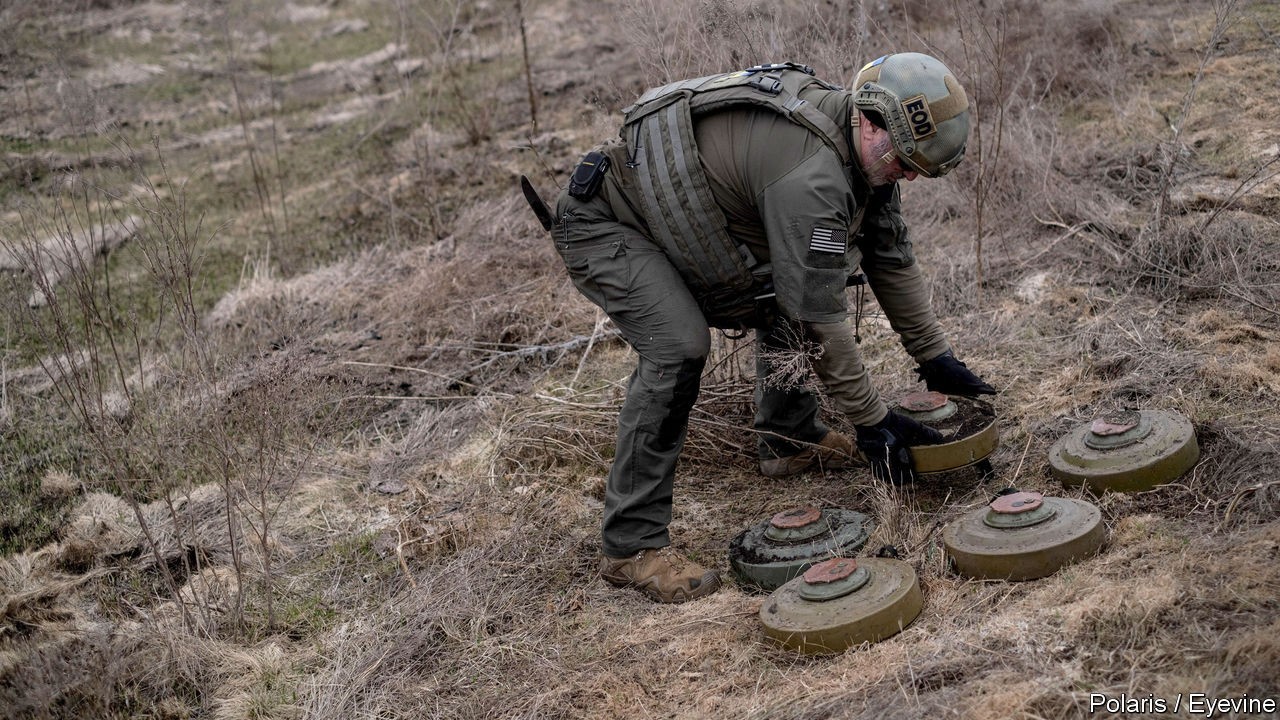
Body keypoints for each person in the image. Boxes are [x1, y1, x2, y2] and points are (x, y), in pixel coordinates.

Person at [541, 53, 995, 603]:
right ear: (870, 121)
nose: (909, 175)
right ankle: (630, 547)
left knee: (795, 282)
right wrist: (873, 421)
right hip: (605, 226)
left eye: (919, 167)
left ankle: (788, 440)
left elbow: (890, 256)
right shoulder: (813, 177)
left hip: (682, 223)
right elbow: (817, 318)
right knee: (679, 347)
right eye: (905, 161)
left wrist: (934, 358)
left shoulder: (865, 147)